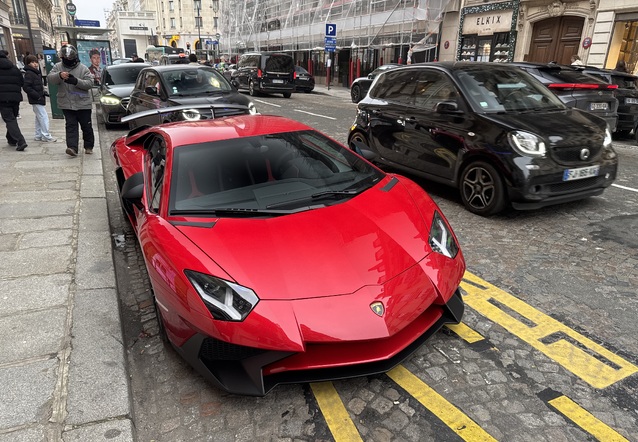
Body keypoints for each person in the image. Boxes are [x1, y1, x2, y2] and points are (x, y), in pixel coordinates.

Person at [48, 45, 95, 157]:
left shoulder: (83, 68)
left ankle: (88, 146)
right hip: (66, 103)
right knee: (71, 125)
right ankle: (72, 147)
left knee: (86, 126)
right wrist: (59, 75)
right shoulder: (58, 66)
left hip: (83, 103)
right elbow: (50, 78)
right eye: (65, 58)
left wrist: (76, 81)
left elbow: (89, 83)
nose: (68, 60)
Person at [23, 55, 56, 143]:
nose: (35, 64)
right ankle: (46, 135)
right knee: (43, 117)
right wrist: (37, 95)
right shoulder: (30, 73)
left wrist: (43, 93)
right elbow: (26, 87)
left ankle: (38, 135)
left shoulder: (34, 72)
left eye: (36, 62)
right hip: (36, 99)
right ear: (28, 63)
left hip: (37, 97)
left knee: (39, 117)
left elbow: (36, 86)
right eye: (33, 62)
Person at [0, 49, 27, 151]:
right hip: (15, 98)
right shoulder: (14, 68)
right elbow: (21, 81)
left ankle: (21, 141)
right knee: (12, 118)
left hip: (2, 99)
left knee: (9, 119)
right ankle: (10, 138)